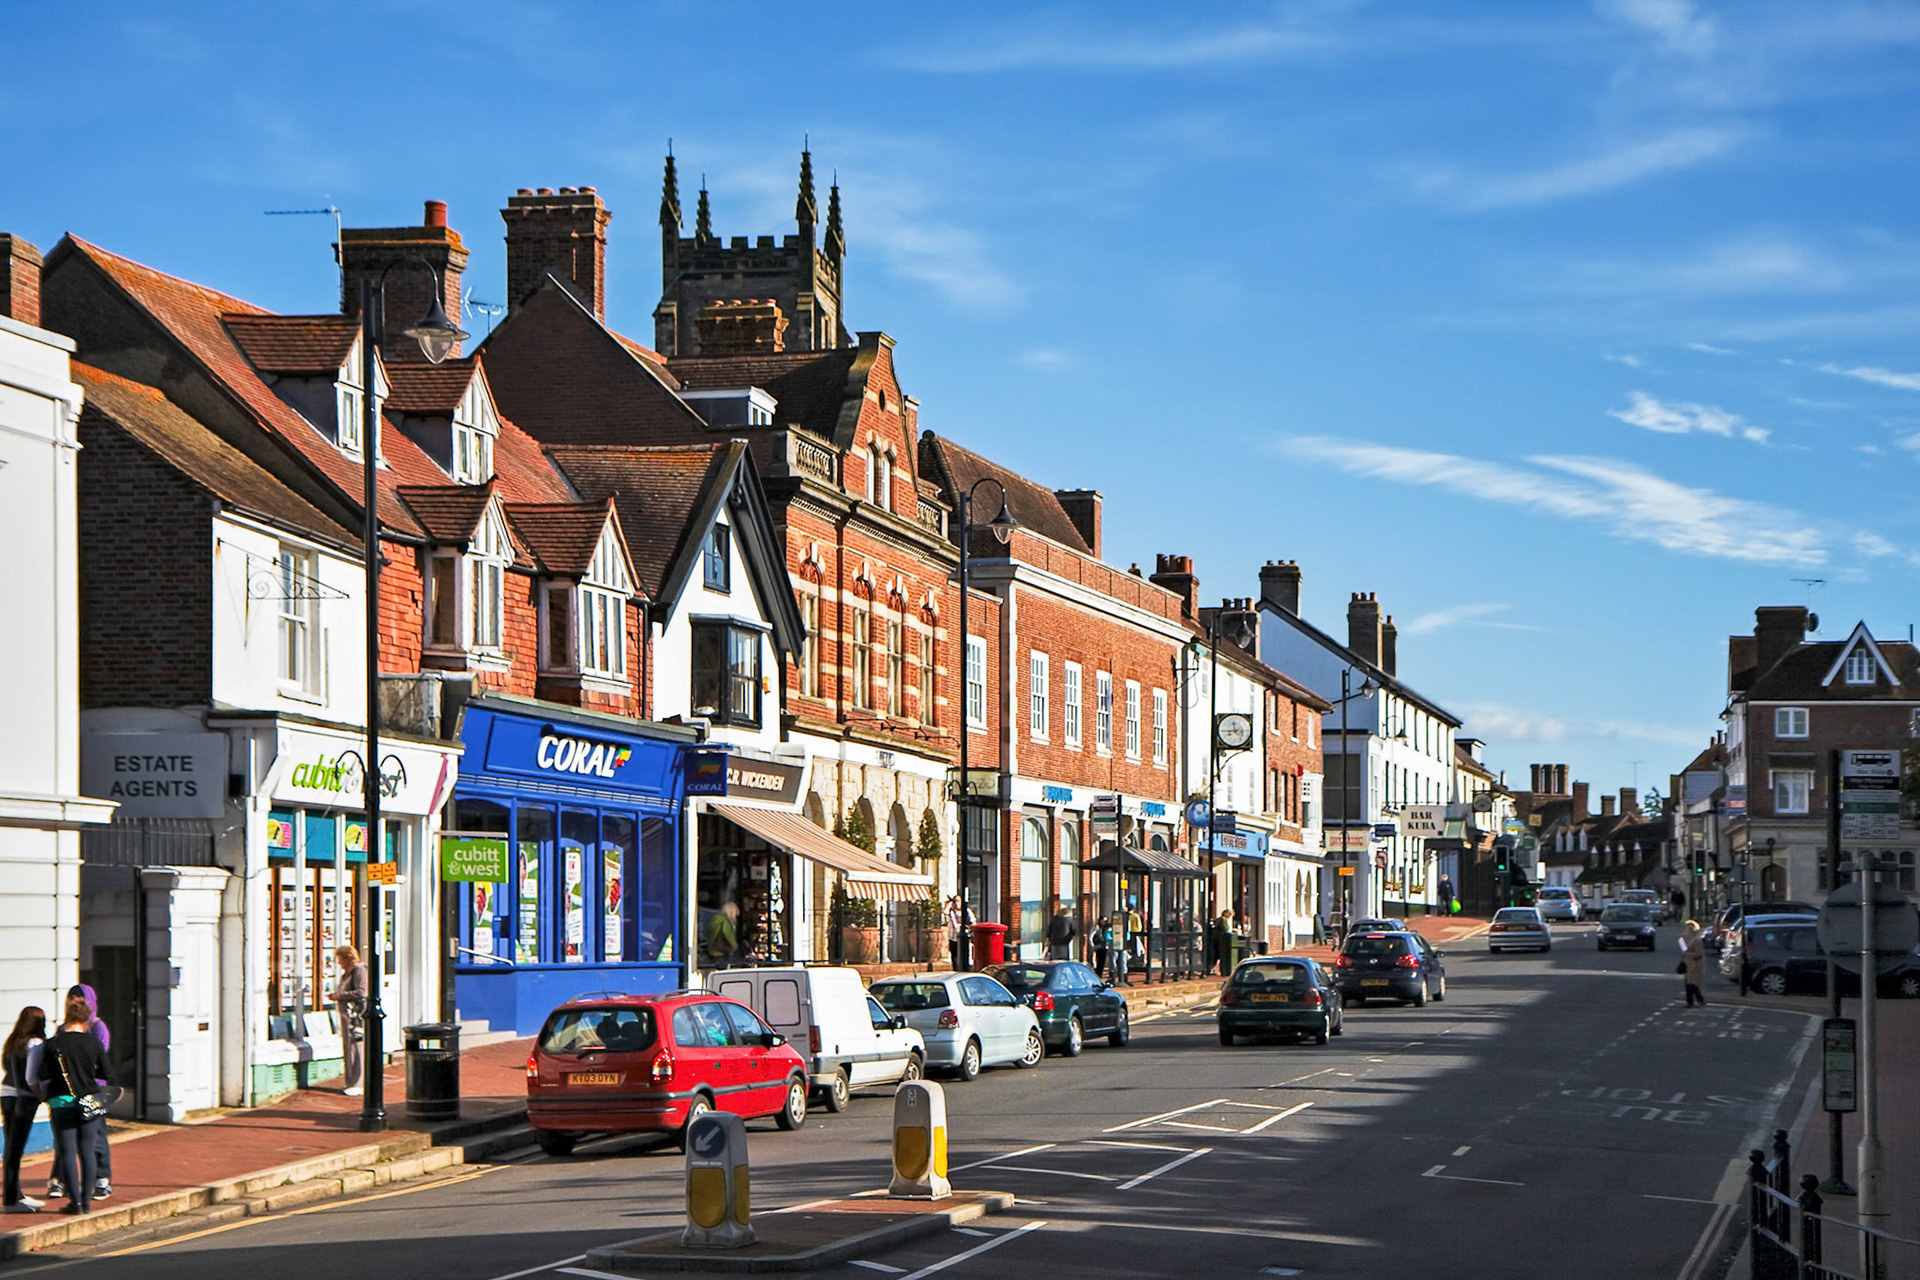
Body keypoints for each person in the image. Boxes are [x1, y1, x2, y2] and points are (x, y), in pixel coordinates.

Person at [32, 995, 108, 1215]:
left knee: (67, 1152)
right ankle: (86, 1202)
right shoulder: (93, 1042)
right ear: (86, 1019)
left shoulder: (53, 1044)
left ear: (67, 1016)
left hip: (61, 1101)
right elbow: (107, 1073)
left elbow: (42, 1075)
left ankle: (74, 1203)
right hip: (89, 1100)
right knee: (87, 1151)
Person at [64, 986, 111, 1202]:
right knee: (67, 1137)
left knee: (97, 1135)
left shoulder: (98, 1028)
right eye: (72, 998)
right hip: (70, 1089)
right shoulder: (63, 1030)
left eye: (80, 998)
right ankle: (62, 1179)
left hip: (94, 1088)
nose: (76, 1002)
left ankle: (102, 1179)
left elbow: (100, 1059)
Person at [3, 1007, 46, 1213]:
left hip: (6, 1094)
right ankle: (12, 1199)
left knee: (11, 1148)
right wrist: (40, 1095)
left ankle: (15, 1194)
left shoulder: (13, 1041)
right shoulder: (35, 1043)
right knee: (16, 1148)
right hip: (24, 1097)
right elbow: (32, 1076)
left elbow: (5, 1066)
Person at [334, 946, 367, 1097]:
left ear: (347, 958)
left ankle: (357, 1083)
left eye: (340, 959)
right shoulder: (348, 972)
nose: (339, 962)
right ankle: (350, 1081)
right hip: (347, 1015)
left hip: (355, 1015)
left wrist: (340, 995)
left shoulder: (359, 970)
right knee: (349, 1047)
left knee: (356, 1047)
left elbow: (362, 991)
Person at [1679, 919, 1708, 1007]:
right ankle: (1691, 1002)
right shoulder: (1684, 940)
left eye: (1689, 928)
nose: (1687, 930)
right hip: (1688, 964)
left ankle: (1699, 1000)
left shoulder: (1697, 941)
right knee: (1688, 984)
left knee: (1693, 984)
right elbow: (1683, 951)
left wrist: (1687, 954)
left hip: (1695, 965)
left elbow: (1699, 954)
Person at [703, 901, 739, 968]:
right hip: (722, 952)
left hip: (712, 951)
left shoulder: (715, 919)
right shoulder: (725, 921)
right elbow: (729, 936)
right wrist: (735, 947)